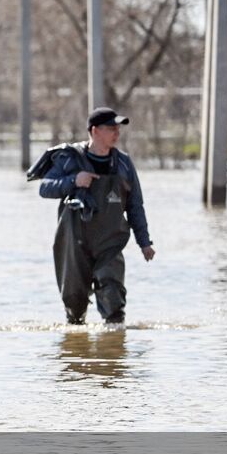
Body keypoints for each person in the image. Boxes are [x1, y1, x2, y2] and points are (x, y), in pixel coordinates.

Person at [28, 107, 156, 325]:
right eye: (111, 128)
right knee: (74, 303)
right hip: (73, 240)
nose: (116, 133)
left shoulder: (124, 164)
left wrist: (144, 242)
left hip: (110, 240)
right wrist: (74, 181)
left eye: (118, 129)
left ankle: (113, 351)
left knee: (113, 295)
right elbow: (45, 188)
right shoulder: (70, 159)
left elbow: (135, 206)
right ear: (95, 131)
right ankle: (78, 350)